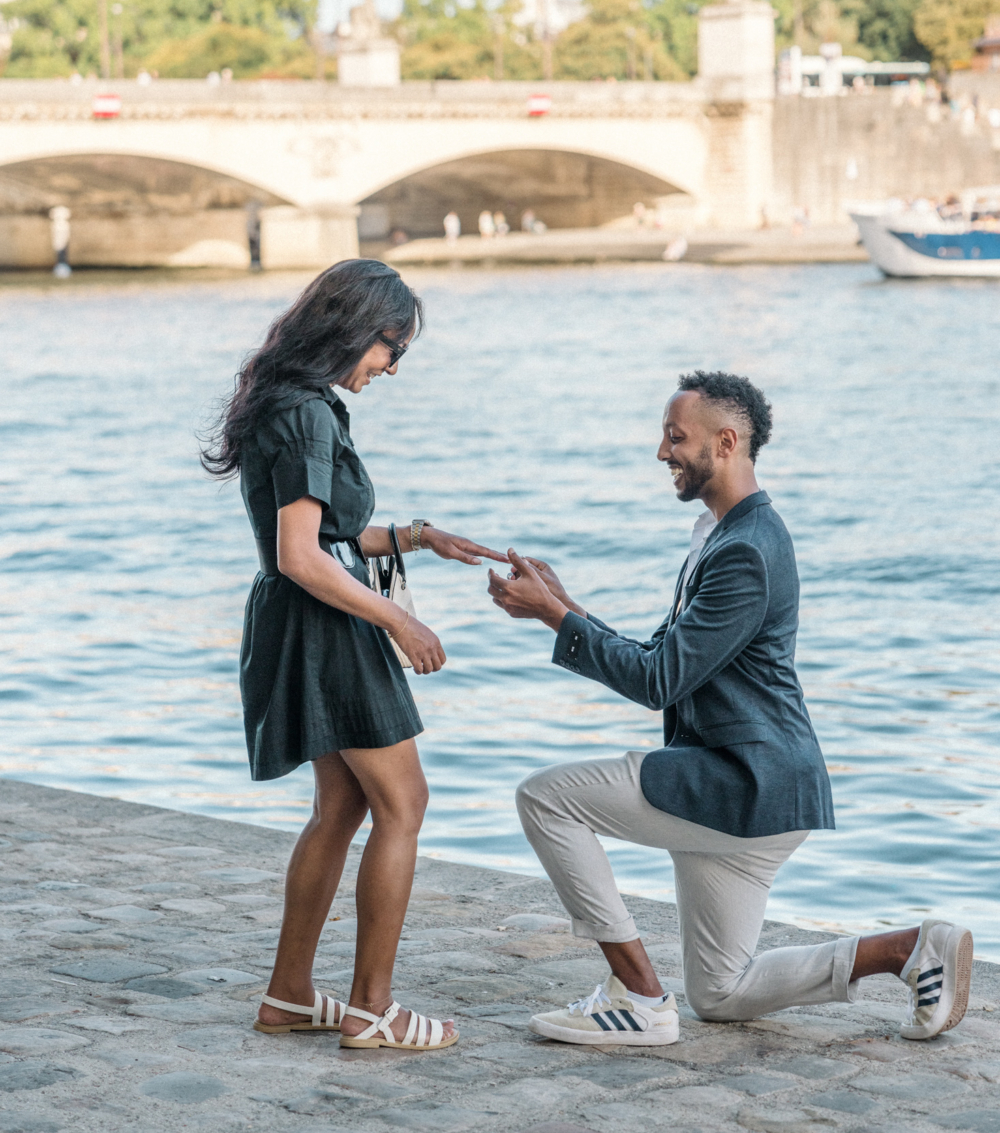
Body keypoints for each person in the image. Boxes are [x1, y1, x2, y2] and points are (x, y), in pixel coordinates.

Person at [489, 370, 972, 1047]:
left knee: (546, 799)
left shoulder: (744, 550)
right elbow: (667, 658)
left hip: (742, 779)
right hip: (756, 790)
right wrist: (564, 606)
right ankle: (908, 949)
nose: (662, 452)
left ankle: (636, 993)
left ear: (725, 441)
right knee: (721, 994)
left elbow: (659, 680)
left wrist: (554, 622)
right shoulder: (721, 536)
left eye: (674, 437)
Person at [203, 258, 507, 1051]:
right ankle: (375, 1010)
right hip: (325, 625)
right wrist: (402, 624)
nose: (392, 365)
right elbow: (303, 556)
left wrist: (413, 537)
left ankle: (290, 996)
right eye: (389, 346)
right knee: (405, 805)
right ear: (352, 327)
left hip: (296, 621)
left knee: (339, 809)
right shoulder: (308, 414)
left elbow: (313, 539)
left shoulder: (287, 401)